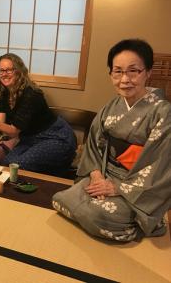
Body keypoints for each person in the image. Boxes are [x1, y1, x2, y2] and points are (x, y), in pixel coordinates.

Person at [52, 39, 171, 242]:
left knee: (97, 216)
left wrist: (117, 188)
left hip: (137, 187)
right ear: (111, 74)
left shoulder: (163, 112)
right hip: (105, 175)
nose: (125, 79)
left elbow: (159, 165)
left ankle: (144, 222)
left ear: (148, 72)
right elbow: (94, 146)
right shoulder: (111, 107)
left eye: (133, 71)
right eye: (118, 71)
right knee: (60, 199)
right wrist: (97, 176)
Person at [0, 53, 76, 172]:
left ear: (19, 71)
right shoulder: (4, 93)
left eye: (9, 70)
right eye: (1, 70)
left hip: (55, 137)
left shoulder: (31, 94)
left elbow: (13, 131)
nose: (4, 74)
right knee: (8, 162)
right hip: (29, 138)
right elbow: (0, 124)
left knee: (19, 165)